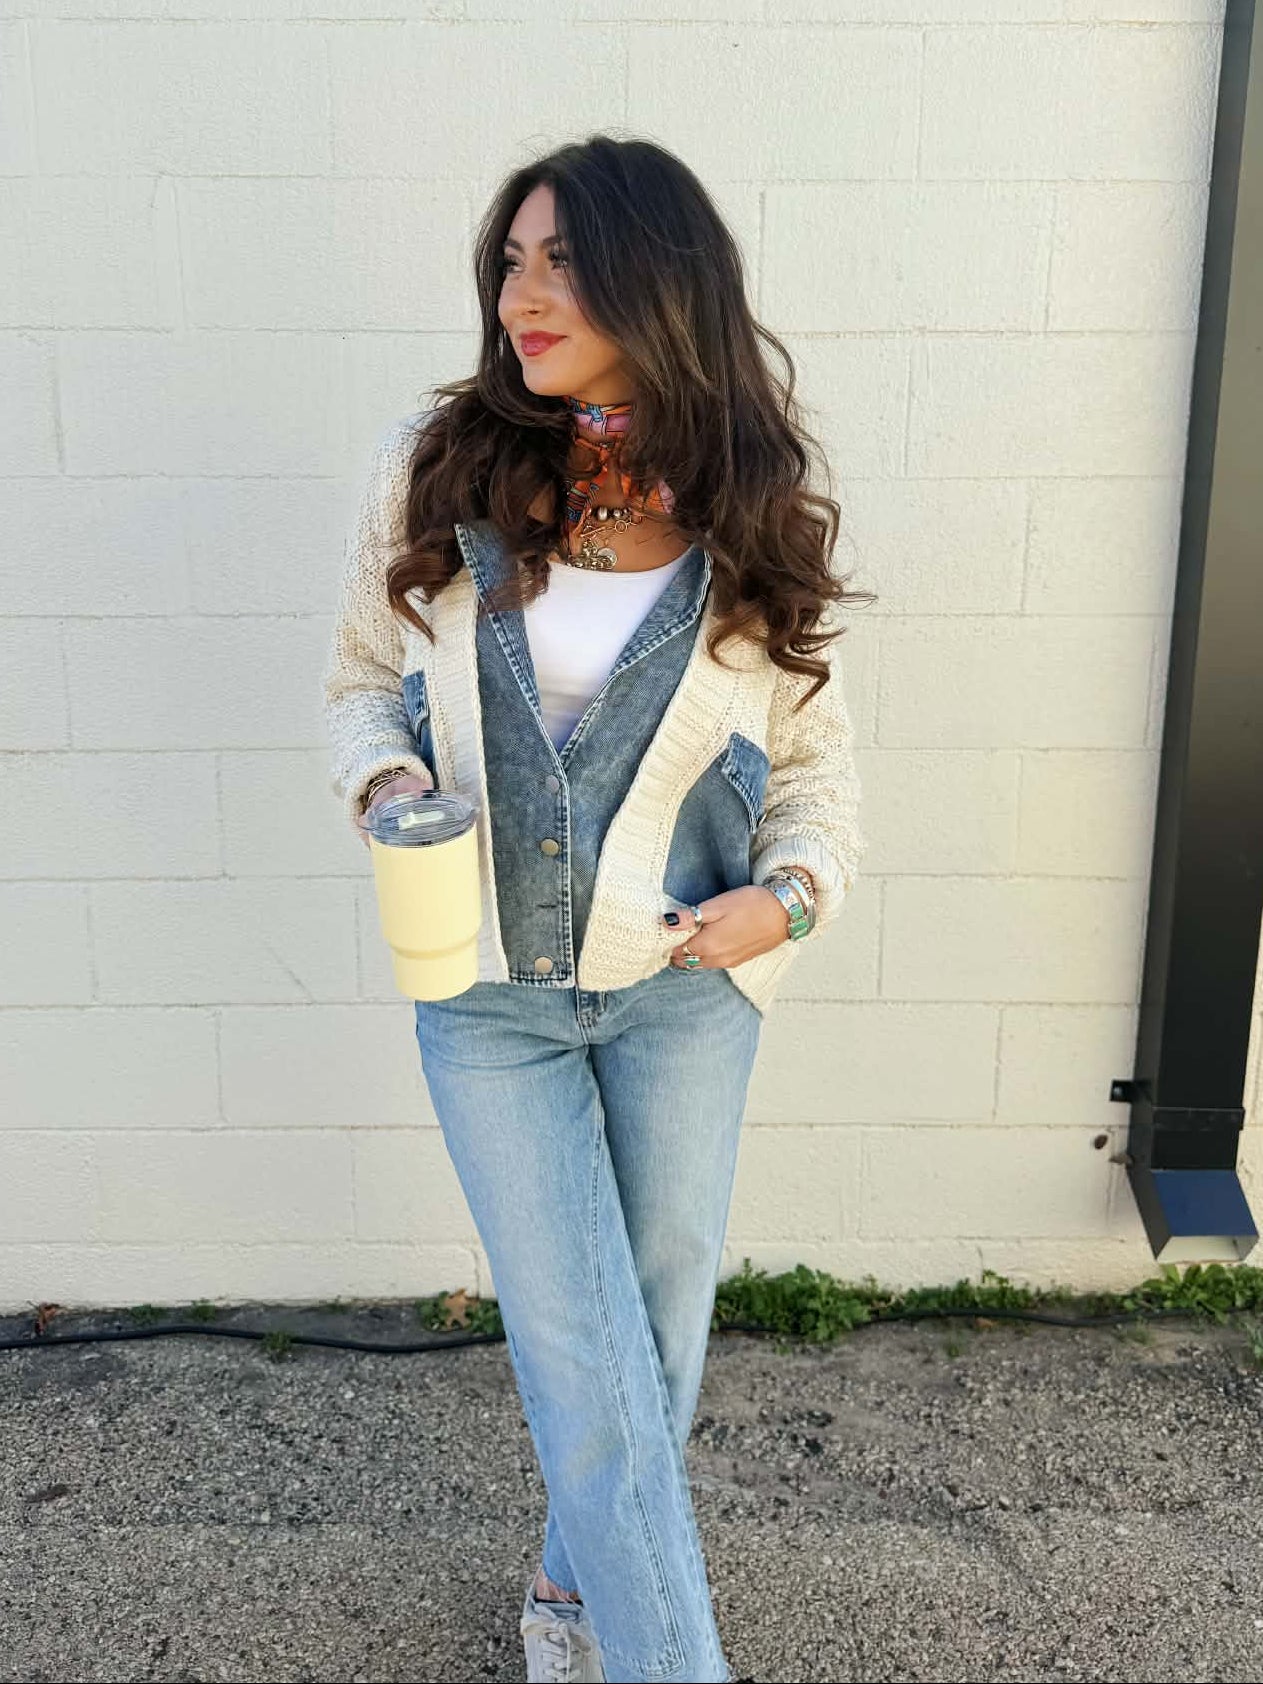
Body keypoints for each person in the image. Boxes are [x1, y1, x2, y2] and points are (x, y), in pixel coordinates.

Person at [322, 133, 873, 1684]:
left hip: (684, 991)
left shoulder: (748, 502)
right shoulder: (437, 470)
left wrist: (793, 902)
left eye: (563, 260)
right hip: (486, 994)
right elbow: (359, 681)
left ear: (658, 278)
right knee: (584, 1355)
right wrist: (386, 782)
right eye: (511, 260)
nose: (523, 294)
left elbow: (817, 772)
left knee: (658, 1331)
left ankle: (574, 1594)